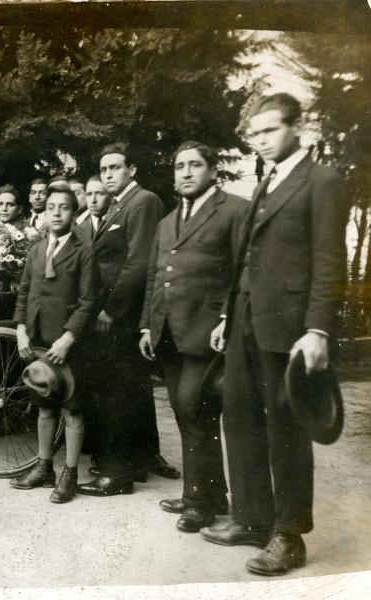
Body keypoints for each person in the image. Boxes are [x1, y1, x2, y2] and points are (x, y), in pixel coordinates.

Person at [201, 93, 348, 576]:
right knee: (239, 417)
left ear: (296, 126)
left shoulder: (322, 181)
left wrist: (318, 329)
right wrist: (227, 315)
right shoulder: (266, 181)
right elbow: (245, 259)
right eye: (255, 133)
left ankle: (289, 535)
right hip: (244, 318)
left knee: (286, 430)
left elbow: (330, 263)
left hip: (288, 326)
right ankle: (251, 519)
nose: (261, 140)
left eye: (270, 130)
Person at [138, 141, 248, 532]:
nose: (185, 172)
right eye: (179, 165)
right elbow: (155, 276)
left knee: (194, 409)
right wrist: (149, 325)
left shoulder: (234, 210)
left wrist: (226, 318)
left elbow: (244, 270)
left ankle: (199, 503)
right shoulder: (167, 222)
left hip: (207, 334)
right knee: (187, 415)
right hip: (169, 333)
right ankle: (209, 494)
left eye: (195, 165)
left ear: (212, 170)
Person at [78, 142, 178, 498]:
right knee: (126, 390)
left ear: (131, 170)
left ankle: (116, 475)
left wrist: (112, 309)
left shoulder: (143, 202)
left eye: (115, 168)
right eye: (104, 169)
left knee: (117, 392)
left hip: (123, 315)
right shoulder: (119, 205)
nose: (108, 175)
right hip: (114, 311)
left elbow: (138, 263)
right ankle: (133, 463)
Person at [10, 184, 97, 503]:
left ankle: (69, 474)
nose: (57, 212)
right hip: (38, 340)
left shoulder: (83, 251)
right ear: (44, 214)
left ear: (74, 214)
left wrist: (68, 338)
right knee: (44, 406)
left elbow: (88, 301)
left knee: (71, 411)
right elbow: (23, 292)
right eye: (51, 207)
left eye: (64, 207)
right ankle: (43, 466)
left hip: (67, 343)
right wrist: (21, 329)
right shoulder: (35, 250)